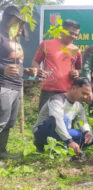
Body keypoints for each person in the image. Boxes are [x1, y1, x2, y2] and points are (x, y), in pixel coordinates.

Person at [0, 5, 37, 160]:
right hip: (3, 85)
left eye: (23, 24)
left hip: (16, 85)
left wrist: (26, 71)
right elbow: (6, 65)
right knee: (1, 121)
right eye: (18, 22)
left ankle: (1, 152)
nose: (21, 27)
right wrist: (3, 69)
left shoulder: (15, 40)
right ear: (8, 19)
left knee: (9, 122)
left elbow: (16, 64)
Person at [32, 78, 93, 155]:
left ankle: (69, 148)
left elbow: (83, 121)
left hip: (63, 132)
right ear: (74, 88)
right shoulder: (57, 100)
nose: (85, 97)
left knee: (92, 137)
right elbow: (57, 121)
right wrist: (69, 141)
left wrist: (87, 132)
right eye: (83, 93)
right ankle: (45, 145)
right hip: (43, 131)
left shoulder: (79, 105)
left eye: (87, 94)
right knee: (63, 118)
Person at [32, 19, 82, 111]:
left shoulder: (76, 50)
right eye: (71, 33)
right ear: (62, 31)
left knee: (65, 122)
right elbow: (36, 61)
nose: (74, 37)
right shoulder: (46, 44)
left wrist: (77, 73)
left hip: (68, 92)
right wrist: (37, 70)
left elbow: (80, 69)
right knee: (45, 121)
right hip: (49, 90)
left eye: (76, 35)